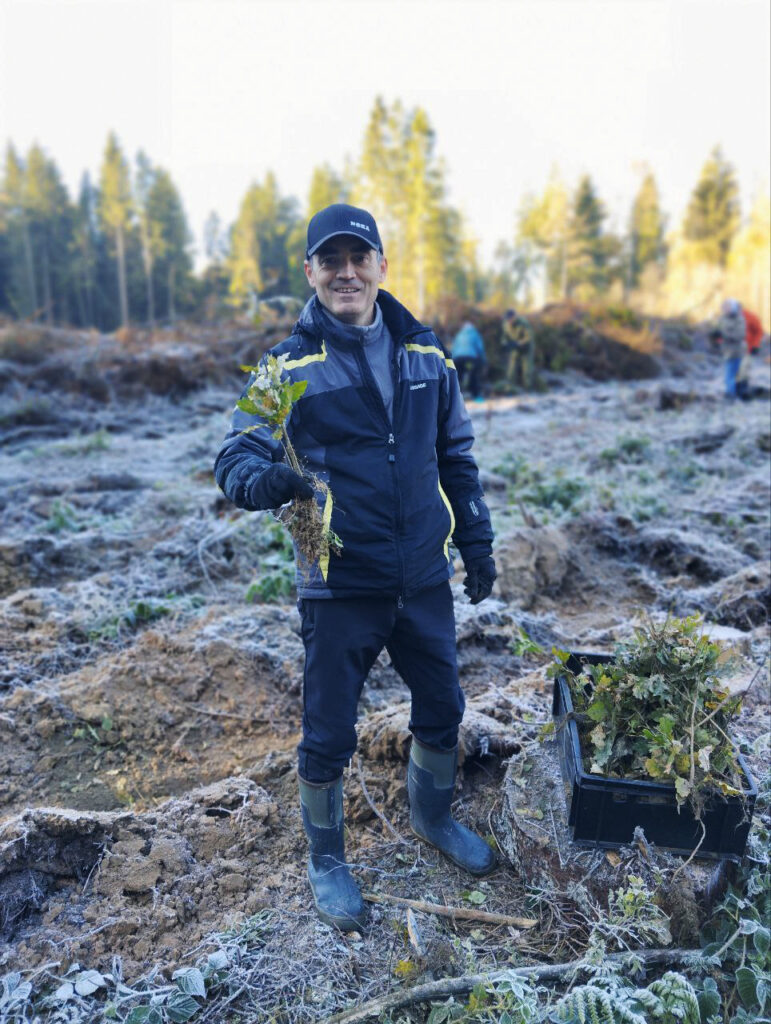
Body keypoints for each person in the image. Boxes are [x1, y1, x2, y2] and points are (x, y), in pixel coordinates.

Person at [214, 203, 497, 932]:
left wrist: (476, 541)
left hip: (422, 579)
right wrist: (264, 482)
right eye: (329, 260)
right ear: (309, 273)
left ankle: (432, 818)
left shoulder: (426, 358)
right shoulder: (286, 366)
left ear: (380, 265)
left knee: (443, 710)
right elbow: (235, 453)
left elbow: (456, 457)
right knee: (328, 733)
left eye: (357, 257)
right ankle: (327, 858)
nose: (345, 272)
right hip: (337, 581)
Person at [715, 298, 747, 400]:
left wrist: (723, 334)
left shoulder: (739, 320)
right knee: (731, 374)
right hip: (726, 351)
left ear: (733, 308)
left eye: (728, 307)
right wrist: (714, 334)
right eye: (724, 307)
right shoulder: (722, 318)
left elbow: (740, 335)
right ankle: (734, 394)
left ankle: (731, 395)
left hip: (736, 351)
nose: (725, 309)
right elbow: (717, 329)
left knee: (730, 374)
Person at [450, 320, 486, 399]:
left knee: (458, 377)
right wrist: (483, 360)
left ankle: (455, 397)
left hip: (458, 359)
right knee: (473, 375)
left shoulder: (459, 335)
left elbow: (454, 348)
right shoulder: (475, 334)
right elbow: (480, 348)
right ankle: (476, 396)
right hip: (470, 359)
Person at [501, 308, 535, 390]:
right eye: (507, 319)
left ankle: (528, 388)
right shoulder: (505, 324)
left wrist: (519, 343)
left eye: (510, 318)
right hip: (515, 347)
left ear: (514, 317)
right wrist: (505, 343)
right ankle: (509, 387)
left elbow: (529, 337)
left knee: (527, 369)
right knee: (511, 368)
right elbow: (504, 336)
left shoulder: (523, 323)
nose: (509, 320)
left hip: (526, 348)